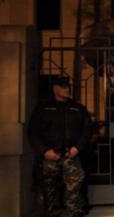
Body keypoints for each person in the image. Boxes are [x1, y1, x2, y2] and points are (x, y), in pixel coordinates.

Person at [28, 77, 93, 217]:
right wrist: (44, 151)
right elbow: (33, 132)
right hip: (49, 157)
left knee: (75, 188)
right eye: (63, 87)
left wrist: (77, 147)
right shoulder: (43, 109)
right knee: (47, 189)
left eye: (68, 86)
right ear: (55, 89)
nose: (67, 89)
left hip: (71, 155)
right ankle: (48, 212)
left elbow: (87, 130)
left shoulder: (77, 108)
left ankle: (74, 213)